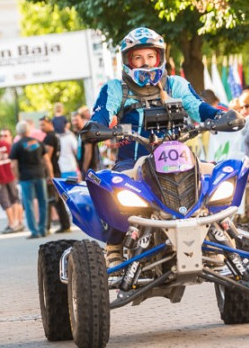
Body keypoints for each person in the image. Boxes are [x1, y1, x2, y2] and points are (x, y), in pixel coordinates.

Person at [89, 27, 223, 267]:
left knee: (216, 178)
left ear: (159, 57)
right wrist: (95, 126)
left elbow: (198, 107)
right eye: (138, 57)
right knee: (113, 186)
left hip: (179, 160)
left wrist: (220, 115)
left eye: (150, 56)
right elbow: (102, 113)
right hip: (133, 162)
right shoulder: (116, 89)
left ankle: (222, 234)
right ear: (128, 61)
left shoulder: (175, 84)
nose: (145, 63)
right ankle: (114, 246)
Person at [9, 120, 50, 239]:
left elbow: (13, 165)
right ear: (28, 130)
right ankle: (43, 229)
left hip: (26, 177)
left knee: (29, 204)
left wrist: (18, 177)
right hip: (40, 175)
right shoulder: (38, 142)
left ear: (18, 132)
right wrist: (50, 175)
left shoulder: (16, 145)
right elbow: (46, 161)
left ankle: (34, 231)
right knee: (43, 202)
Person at [39, 116, 72, 233]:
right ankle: (65, 224)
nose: (41, 127)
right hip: (56, 169)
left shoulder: (49, 138)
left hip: (52, 171)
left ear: (50, 124)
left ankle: (46, 227)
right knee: (56, 200)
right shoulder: (55, 136)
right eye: (40, 125)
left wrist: (49, 174)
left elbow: (46, 157)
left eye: (43, 124)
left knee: (50, 199)